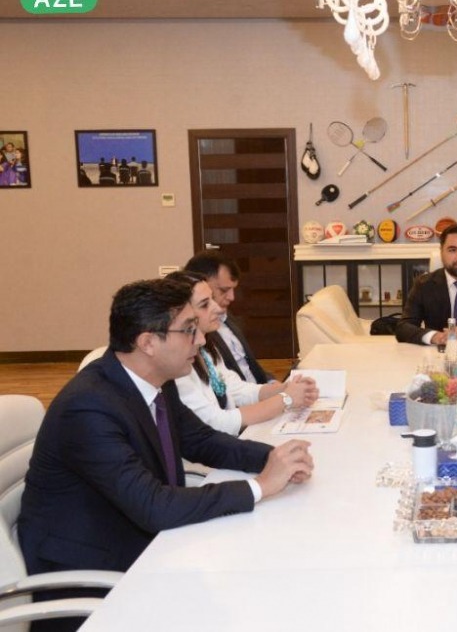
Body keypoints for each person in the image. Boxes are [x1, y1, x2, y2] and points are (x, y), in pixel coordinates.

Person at [17, 278, 314, 631]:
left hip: (145, 542)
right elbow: (154, 506)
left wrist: (275, 457)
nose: (201, 340)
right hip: (92, 578)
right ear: (148, 343)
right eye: (189, 330)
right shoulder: (88, 407)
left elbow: (202, 441)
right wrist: (260, 486)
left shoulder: (155, 381)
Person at [169, 270, 318, 435]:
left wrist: (282, 389)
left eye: (212, 299)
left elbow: (235, 389)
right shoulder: (177, 366)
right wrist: (286, 398)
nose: (217, 308)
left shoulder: (207, 348)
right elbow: (216, 423)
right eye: (205, 304)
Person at [185, 250, 273, 383]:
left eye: (233, 289)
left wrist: (274, 384)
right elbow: (226, 386)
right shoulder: (196, 334)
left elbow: (250, 367)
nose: (232, 297)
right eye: (224, 290)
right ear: (200, 284)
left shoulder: (228, 317)